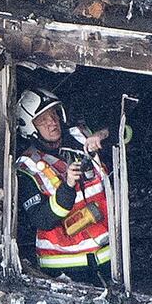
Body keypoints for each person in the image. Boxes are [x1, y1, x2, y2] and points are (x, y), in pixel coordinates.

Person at [14, 88, 113, 286]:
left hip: (108, 257)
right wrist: (67, 187)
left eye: (53, 114)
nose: (52, 122)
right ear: (29, 127)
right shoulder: (27, 167)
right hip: (65, 268)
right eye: (42, 120)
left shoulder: (80, 137)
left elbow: (124, 130)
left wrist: (101, 136)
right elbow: (42, 219)